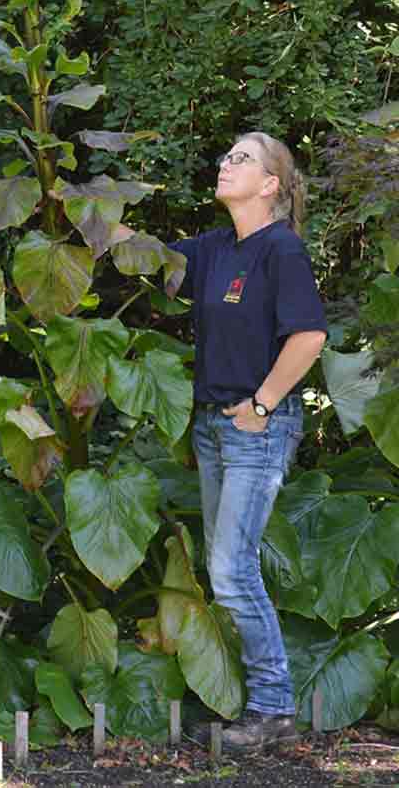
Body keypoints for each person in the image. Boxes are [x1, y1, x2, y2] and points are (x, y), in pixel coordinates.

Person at [170, 132, 327, 754]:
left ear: (270, 185)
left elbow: (308, 336)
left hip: (254, 427)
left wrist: (261, 405)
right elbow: (148, 259)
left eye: (241, 158)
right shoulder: (215, 248)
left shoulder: (280, 250)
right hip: (213, 426)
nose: (224, 163)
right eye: (225, 155)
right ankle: (262, 705)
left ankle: (272, 708)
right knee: (226, 568)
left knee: (232, 573)